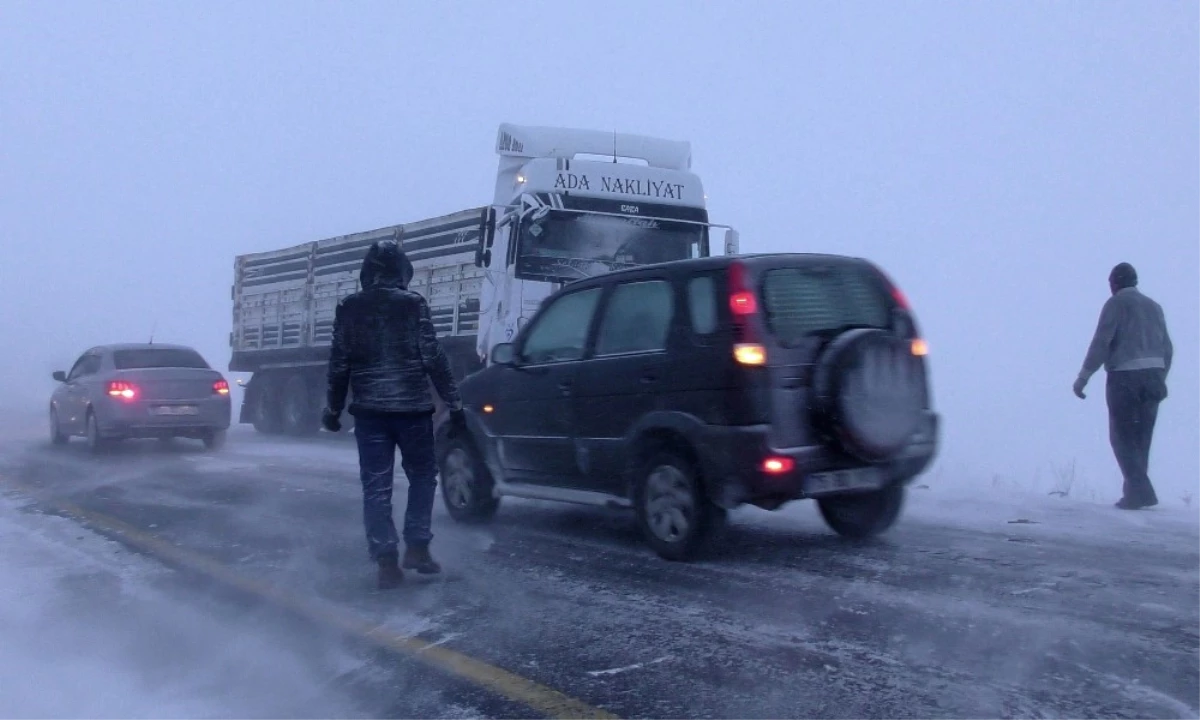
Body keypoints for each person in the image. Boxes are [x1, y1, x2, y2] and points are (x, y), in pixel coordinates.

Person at [323, 239, 465, 589]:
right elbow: (433, 358)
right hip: (413, 411)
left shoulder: (349, 308)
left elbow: (339, 364)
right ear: (402, 270)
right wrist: (455, 403)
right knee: (422, 476)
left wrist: (333, 408)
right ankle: (417, 546)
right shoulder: (413, 305)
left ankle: (386, 560)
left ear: (366, 273)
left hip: (370, 412)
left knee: (376, 486)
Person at [1073, 262, 1173, 510]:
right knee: (1141, 439)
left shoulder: (1116, 304)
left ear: (1114, 283)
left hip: (1125, 377)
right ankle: (1133, 494)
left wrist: (1083, 377)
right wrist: (1160, 376)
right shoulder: (1154, 307)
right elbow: (1167, 348)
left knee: (1121, 438)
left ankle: (1141, 492)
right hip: (1153, 377)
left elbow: (1101, 343)